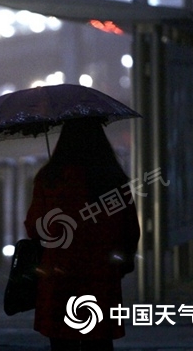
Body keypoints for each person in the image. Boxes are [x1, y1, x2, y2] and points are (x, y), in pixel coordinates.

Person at [24, 118, 140, 351]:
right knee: (98, 342)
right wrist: (123, 262)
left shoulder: (50, 178)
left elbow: (35, 227)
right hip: (101, 274)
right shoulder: (113, 180)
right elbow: (130, 230)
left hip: (59, 274)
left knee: (62, 342)